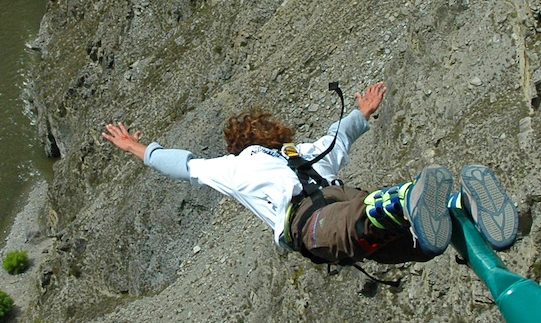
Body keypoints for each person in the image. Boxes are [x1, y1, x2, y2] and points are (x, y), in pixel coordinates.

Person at [102, 81, 517, 266]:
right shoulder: (284, 156)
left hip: (322, 222)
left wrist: (139, 147)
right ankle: (444, 204)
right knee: (388, 229)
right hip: (331, 209)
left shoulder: (249, 163)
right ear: (267, 134)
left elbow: (185, 164)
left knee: (395, 238)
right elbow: (339, 136)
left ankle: (436, 206)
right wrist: (362, 112)